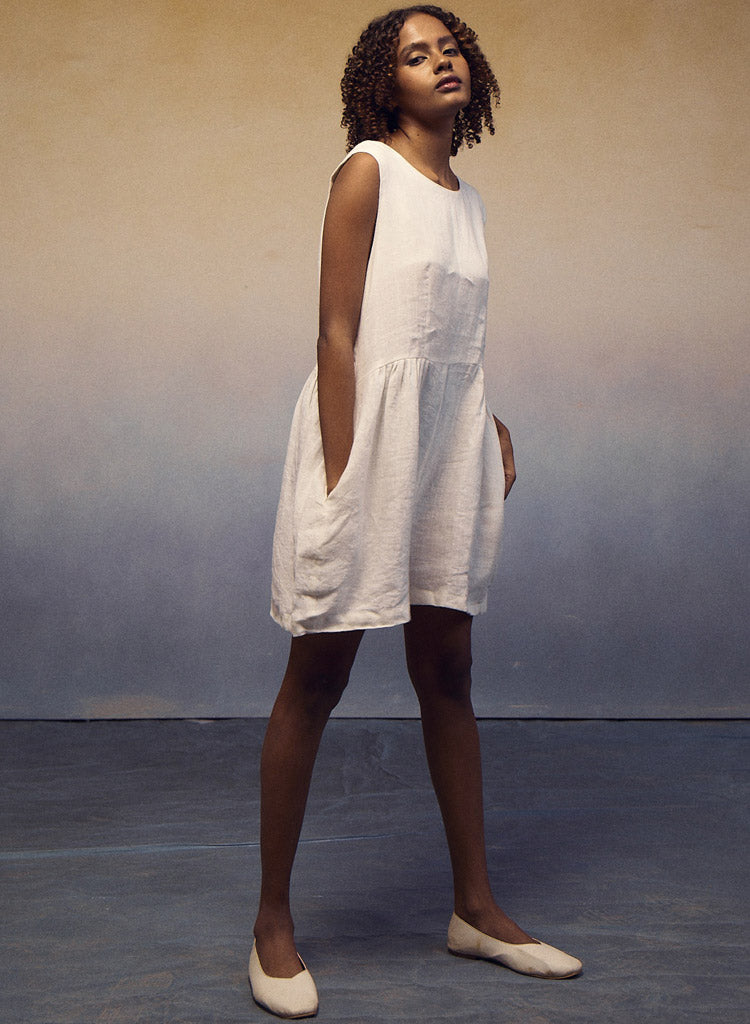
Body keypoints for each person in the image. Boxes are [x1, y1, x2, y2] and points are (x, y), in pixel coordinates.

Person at [249, 6, 582, 1017]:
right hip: (364, 446)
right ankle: (270, 925)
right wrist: (344, 473)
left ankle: (475, 909)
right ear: (383, 84)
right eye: (415, 54)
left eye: (450, 48)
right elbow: (338, 332)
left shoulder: (467, 201)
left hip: (446, 451)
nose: (441, 61)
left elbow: (442, 340)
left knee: (448, 669)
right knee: (319, 672)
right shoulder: (367, 172)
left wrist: (486, 420)